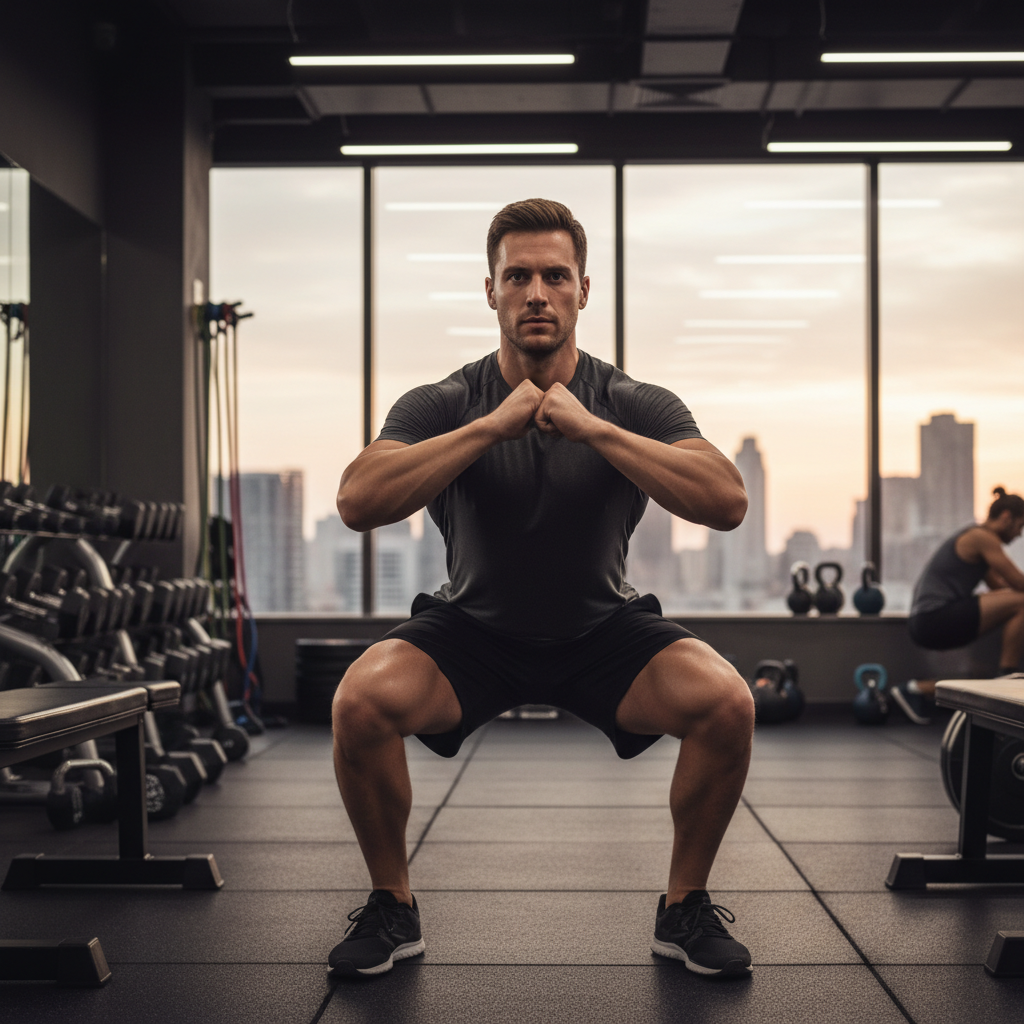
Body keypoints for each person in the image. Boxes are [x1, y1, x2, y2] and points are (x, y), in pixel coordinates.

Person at [328, 198, 755, 979]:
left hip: (603, 631)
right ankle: (393, 904)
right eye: (517, 275)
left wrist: (594, 428)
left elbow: (726, 501)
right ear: (488, 291)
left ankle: (683, 907)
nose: (536, 293)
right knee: (360, 702)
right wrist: (492, 426)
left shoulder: (632, 401)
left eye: (554, 276)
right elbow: (358, 501)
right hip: (472, 632)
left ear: (583, 291)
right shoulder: (444, 402)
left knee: (726, 702)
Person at [896, 488, 1024, 722]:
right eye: (1020, 526)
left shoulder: (977, 542)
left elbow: (1000, 589)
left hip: (926, 621)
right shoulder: (982, 538)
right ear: (1006, 517)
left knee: (979, 671)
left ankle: (915, 689)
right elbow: (1018, 583)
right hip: (934, 618)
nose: (1019, 535)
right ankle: (1008, 676)